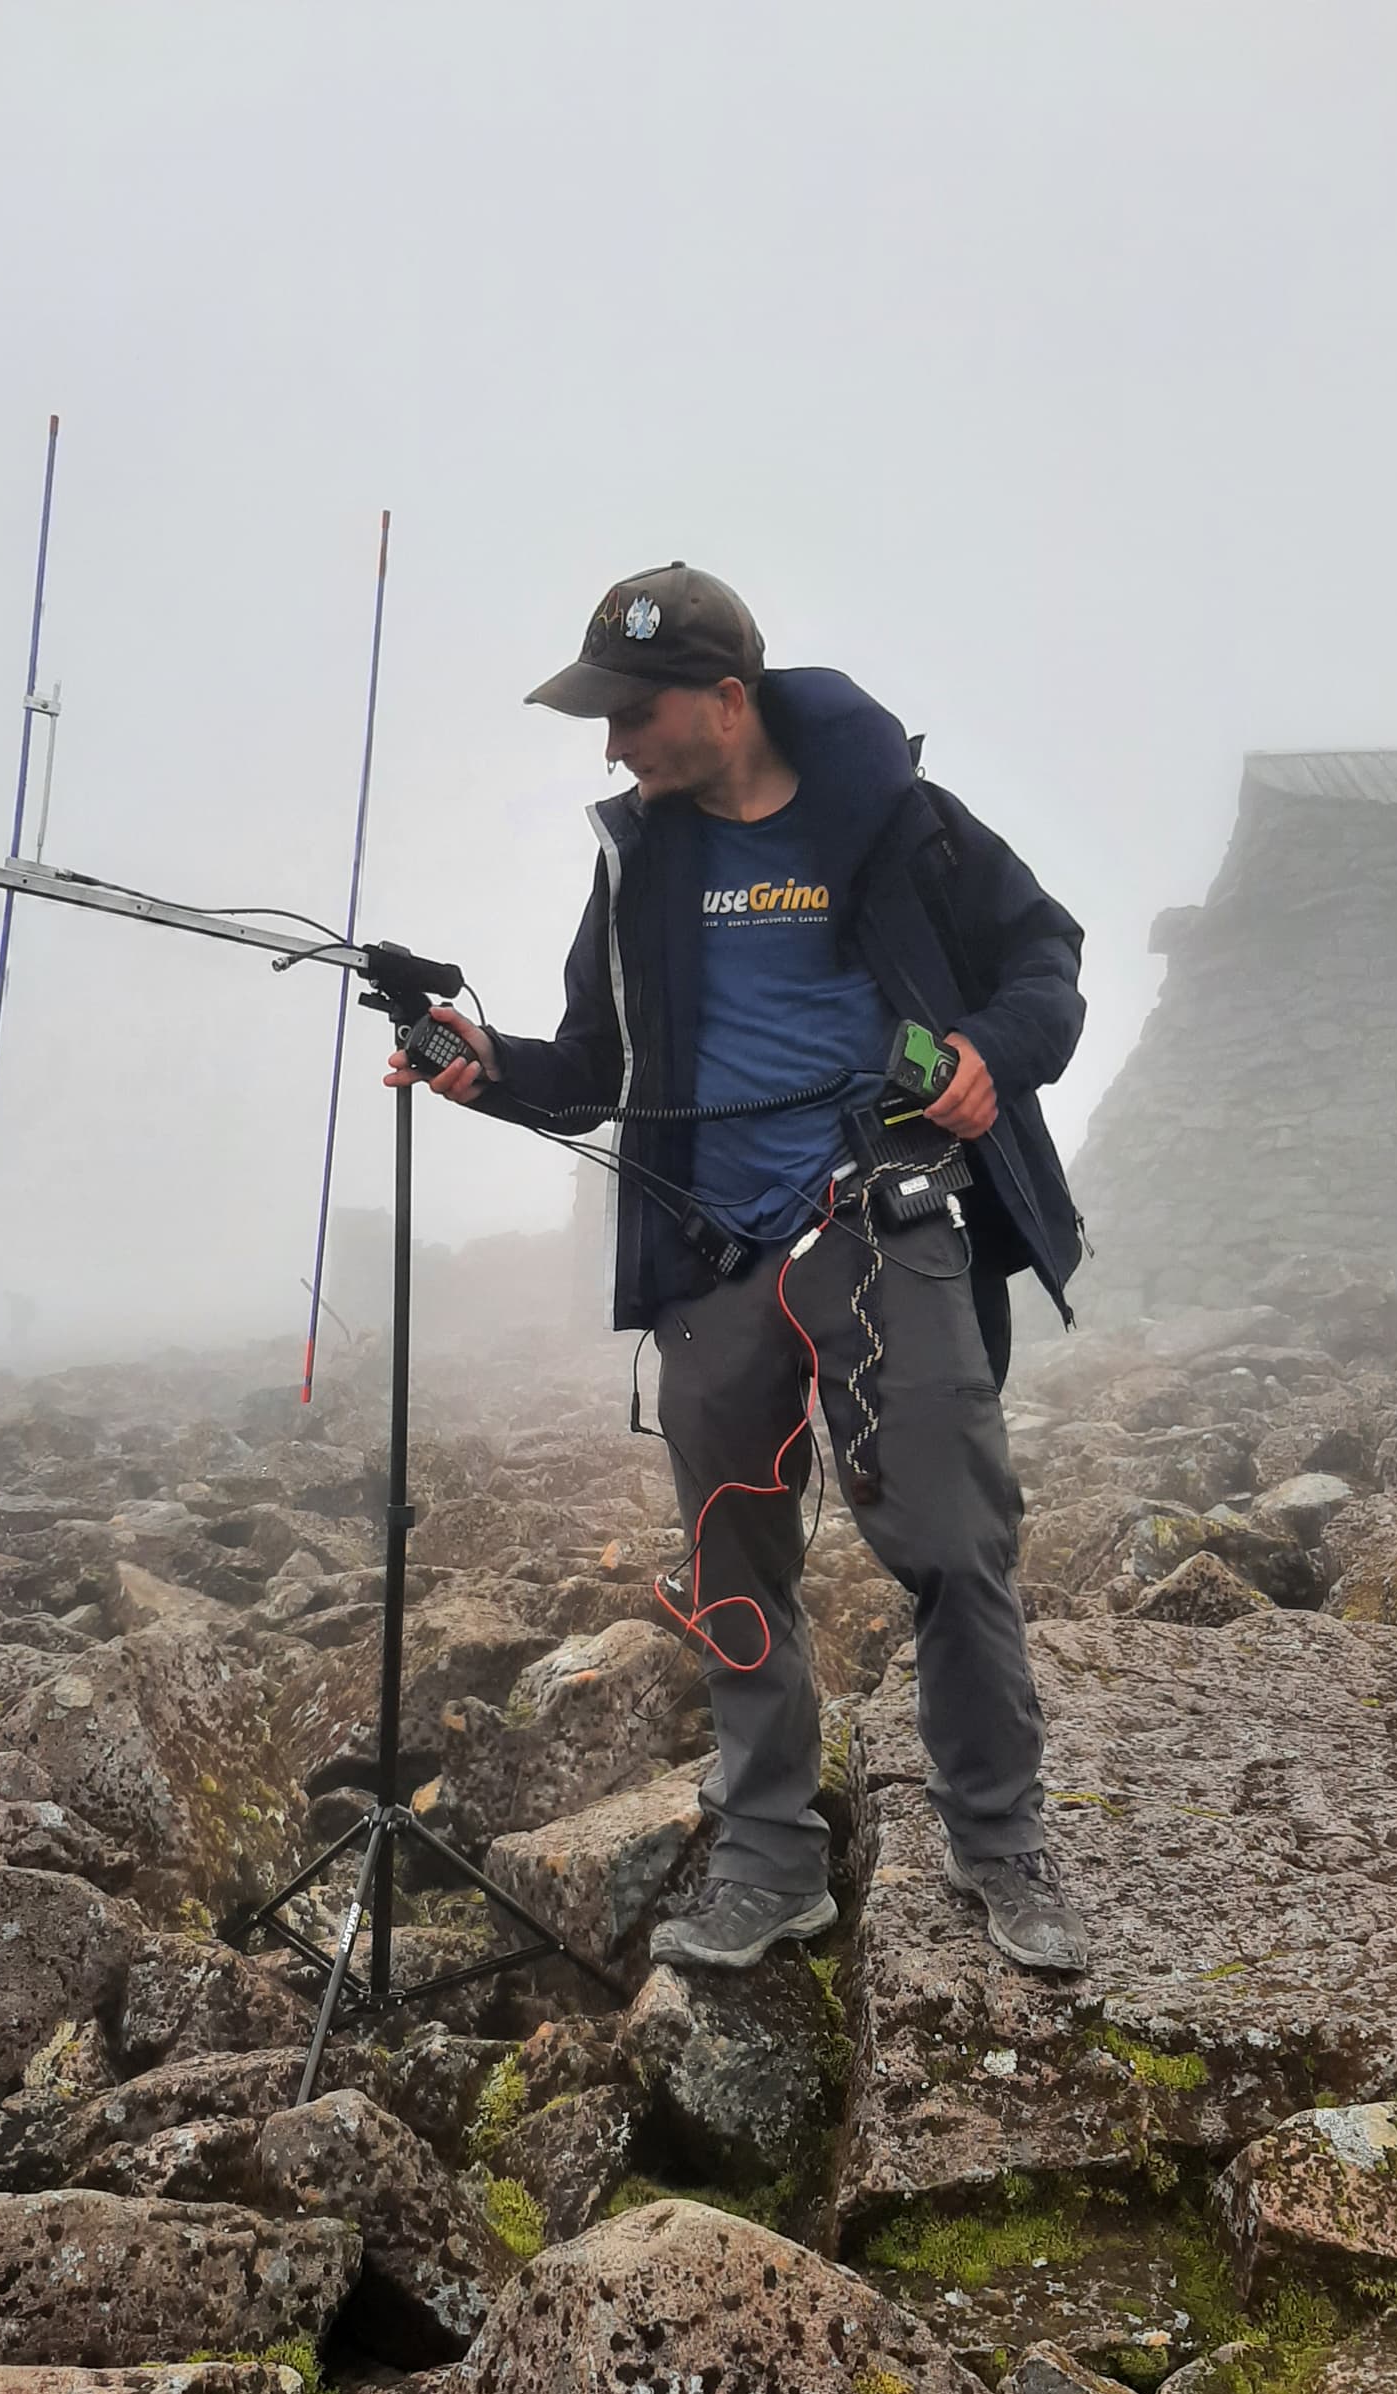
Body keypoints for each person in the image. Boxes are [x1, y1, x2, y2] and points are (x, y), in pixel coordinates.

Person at [386, 564, 1091, 1976]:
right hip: (709, 1249)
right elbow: (595, 1066)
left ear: (725, 699)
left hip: (884, 1219)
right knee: (731, 1563)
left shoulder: (902, 820)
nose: (612, 747)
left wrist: (987, 1056)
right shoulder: (639, 864)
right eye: (601, 719)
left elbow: (1047, 961)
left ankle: (1000, 1841)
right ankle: (770, 1863)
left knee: (956, 1543)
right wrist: (486, 1066)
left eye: (632, 714)